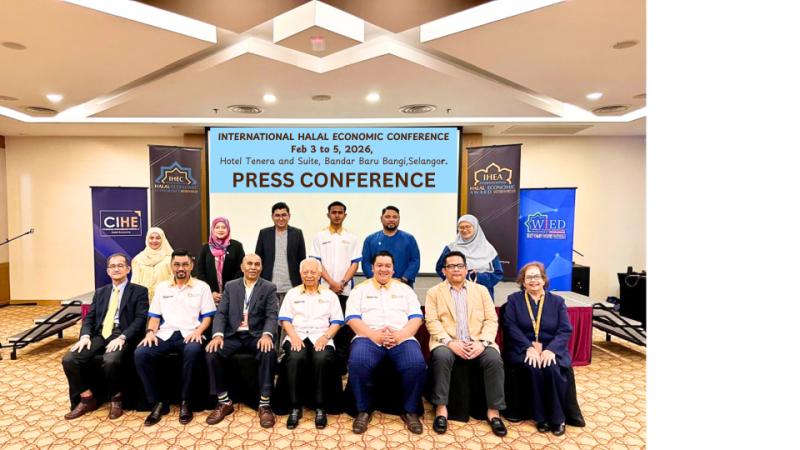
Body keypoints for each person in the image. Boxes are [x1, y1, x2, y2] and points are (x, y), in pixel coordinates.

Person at [424, 251, 507, 437]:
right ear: (444, 271)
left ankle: (494, 413)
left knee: (494, 359)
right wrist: (450, 342)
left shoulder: (481, 291)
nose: (456, 270)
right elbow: (432, 322)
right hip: (447, 342)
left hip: (479, 341)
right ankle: (441, 410)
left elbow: (491, 320)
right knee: (441, 356)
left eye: (459, 266)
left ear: (466, 268)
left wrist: (483, 342)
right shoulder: (434, 293)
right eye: (451, 266)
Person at [345, 250, 427, 435]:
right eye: (379, 265)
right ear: (372, 268)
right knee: (358, 362)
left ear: (393, 268)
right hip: (368, 337)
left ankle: (410, 410)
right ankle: (363, 410)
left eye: (387, 266)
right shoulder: (360, 290)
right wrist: (373, 334)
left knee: (416, 364)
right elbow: (352, 318)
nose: (383, 269)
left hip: (402, 338)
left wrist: (400, 335)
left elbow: (416, 318)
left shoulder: (405, 290)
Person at [61, 253, 149, 420]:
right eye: (112, 266)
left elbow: (140, 319)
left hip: (122, 334)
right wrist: (85, 336)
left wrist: (123, 337)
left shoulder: (139, 291)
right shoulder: (101, 292)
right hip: (100, 334)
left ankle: (116, 399)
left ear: (128, 269)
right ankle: (87, 398)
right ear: (108, 271)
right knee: (69, 359)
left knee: (111, 360)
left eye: (120, 265)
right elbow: (90, 318)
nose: (116, 269)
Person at [133, 249, 215, 426]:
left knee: (193, 352)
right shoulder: (162, 287)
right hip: (165, 333)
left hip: (190, 333)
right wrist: (150, 333)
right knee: (141, 353)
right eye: (177, 264)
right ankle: (158, 402)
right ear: (171, 266)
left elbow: (207, 316)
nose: (181, 268)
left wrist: (199, 332)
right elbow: (154, 316)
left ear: (191, 266)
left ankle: (186, 401)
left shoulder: (202, 287)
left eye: (185, 264)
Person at [205, 254, 280, 428]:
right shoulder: (231, 286)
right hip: (233, 335)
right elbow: (221, 313)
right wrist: (217, 335)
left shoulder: (269, 287)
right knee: (211, 352)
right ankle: (224, 402)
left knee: (268, 352)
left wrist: (267, 334)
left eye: (257, 264)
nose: (253, 267)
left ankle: (265, 404)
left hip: (256, 335)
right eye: (249, 264)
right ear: (242, 266)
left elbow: (271, 315)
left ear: (261, 267)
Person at [502, 261, 574, 436]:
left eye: (537, 276)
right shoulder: (514, 300)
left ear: (543, 279)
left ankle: (557, 418)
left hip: (551, 348)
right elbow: (510, 326)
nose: (533, 280)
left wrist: (551, 350)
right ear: (523, 281)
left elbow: (565, 329)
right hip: (523, 348)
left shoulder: (557, 302)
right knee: (532, 366)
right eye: (529, 277)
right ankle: (540, 417)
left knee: (551, 368)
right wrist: (528, 347)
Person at [278, 258, 343, 430]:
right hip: (296, 335)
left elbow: (337, 321)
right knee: (295, 357)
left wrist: (325, 337)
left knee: (321, 359)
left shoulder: (330, 295)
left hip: (322, 335)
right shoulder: (292, 294)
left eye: (313, 272)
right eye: (305, 272)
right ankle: (295, 406)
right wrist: (294, 337)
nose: (309, 275)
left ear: (320, 274)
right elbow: (285, 319)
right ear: (300, 274)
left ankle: (320, 407)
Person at [310, 201, 360, 366]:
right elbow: (316, 263)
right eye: (334, 212)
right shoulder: (319, 236)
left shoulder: (351, 237)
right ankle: (326, 362)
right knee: (325, 324)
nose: (337, 215)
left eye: (340, 212)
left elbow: (355, 263)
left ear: (345, 215)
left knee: (343, 328)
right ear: (328, 214)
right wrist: (331, 283)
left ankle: (341, 365)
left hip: (345, 290)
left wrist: (342, 282)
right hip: (324, 289)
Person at [434, 214, 503, 298]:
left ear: (475, 227)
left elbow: (498, 273)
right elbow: (440, 268)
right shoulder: (451, 248)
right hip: (456, 293)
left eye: (468, 226)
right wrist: (456, 279)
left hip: (483, 294)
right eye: (461, 227)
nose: (464, 230)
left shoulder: (488, 249)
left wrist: (477, 277)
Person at [255, 202, 306, 304]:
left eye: (284, 215)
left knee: (289, 318)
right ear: (272, 217)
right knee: (271, 317)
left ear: (289, 216)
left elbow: (302, 260)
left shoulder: (297, 233)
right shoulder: (264, 233)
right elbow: (258, 259)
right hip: (269, 285)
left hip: (291, 286)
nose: (281, 218)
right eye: (277, 215)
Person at [361, 206, 420, 287]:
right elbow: (366, 262)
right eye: (387, 217)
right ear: (381, 219)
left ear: (399, 219)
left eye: (395, 217)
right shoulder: (370, 239)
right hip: (377, 286)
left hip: (403, 285)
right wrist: (377, 280)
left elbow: (415, 261)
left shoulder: (409, 239)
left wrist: (403, 279)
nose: (391, 219)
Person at [196, 217, 245, 305]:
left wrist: (229, 290)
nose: (220, 230)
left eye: (224, 227)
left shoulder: (236, 246)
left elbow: (241, 270)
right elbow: (200, 272)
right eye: (217, 227)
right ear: (213, 229)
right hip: (210, 297)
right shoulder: (206, 248)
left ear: (228, 229)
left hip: (233, 294)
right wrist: (211, 292)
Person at [131, 227, 173, 300]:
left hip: (165, 298)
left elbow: (174, 280)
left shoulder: (170, 258)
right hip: (143, 299)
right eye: (151, 238)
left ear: (163, 239)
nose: (154, 241)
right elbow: (135, 282)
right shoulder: (138, 259)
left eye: (158, 238)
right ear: (147, 239)